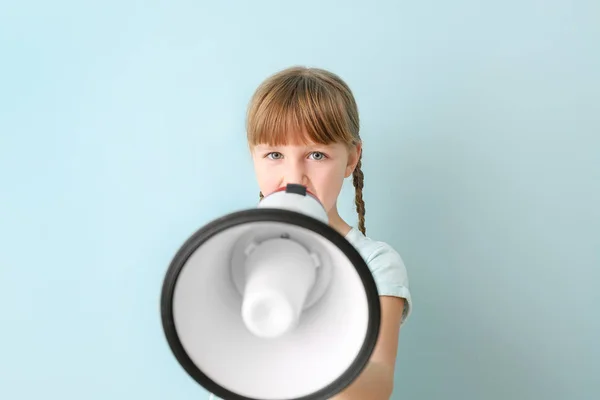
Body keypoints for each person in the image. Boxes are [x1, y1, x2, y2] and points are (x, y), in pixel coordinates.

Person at [212, 66, 412, 400]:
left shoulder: (375, 264)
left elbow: (378, 384)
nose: (295, 176)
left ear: (351, 159)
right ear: (254, 158)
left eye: (316, 155)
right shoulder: (226, 256)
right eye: (275, 154)